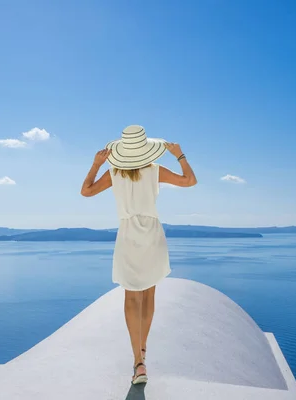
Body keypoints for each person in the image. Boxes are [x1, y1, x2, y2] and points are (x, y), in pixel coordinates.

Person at [80, 124, 197, 385]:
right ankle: (143, 349)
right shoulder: (155, 171)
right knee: (149, 293)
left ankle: (138, 362)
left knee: (132, 297)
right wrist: (179, 155)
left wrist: (96, 164)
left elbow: (86, 191)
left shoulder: (114, 173)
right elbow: (190, 181)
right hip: (152, 233)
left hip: (128, 234)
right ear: (145, 150)